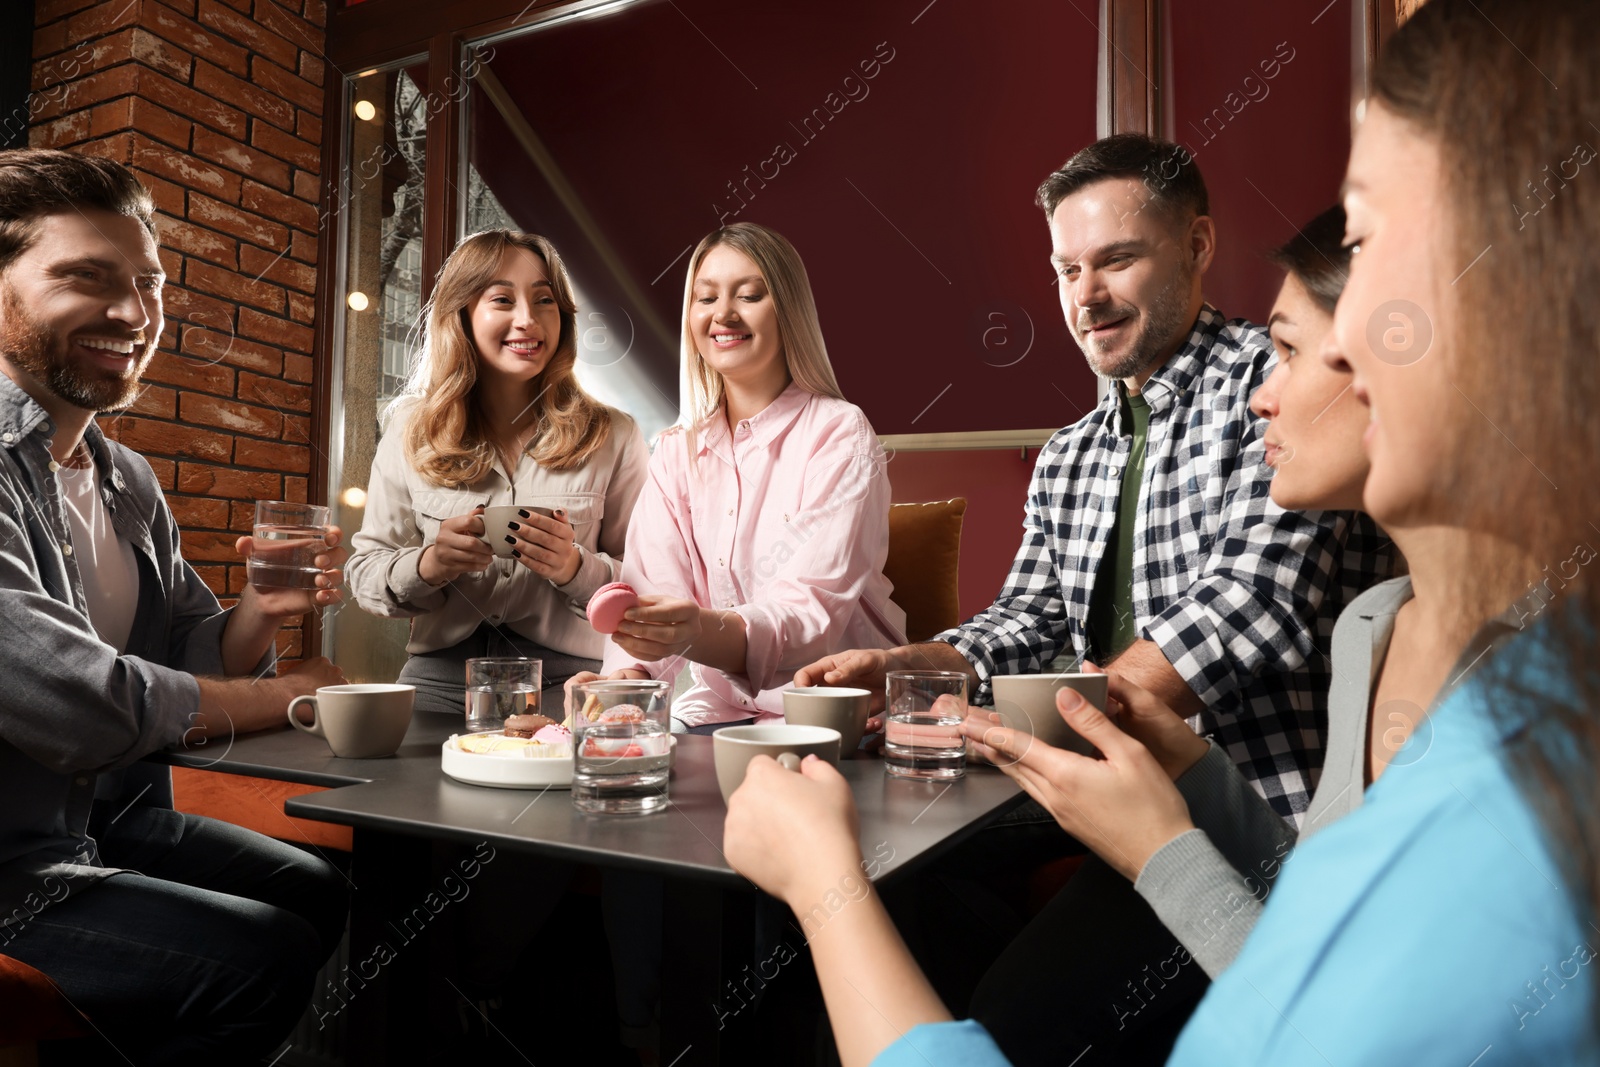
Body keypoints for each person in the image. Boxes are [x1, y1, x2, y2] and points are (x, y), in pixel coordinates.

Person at [738, 1, 1600, 1063]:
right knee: (835, 904)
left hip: (1236, 798)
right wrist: (933, 659)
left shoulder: (1277, 384)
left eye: (1115, 260)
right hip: (1095, 770)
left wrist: (1094, 702)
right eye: (1065, 270)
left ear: (1195, 246)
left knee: (984, 985)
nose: (1085, 294)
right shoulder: (1071, 450)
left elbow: (1257, 600)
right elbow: (1030, 612)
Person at [0, 148, 349, 1063]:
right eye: (86, 277)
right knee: (260, 960)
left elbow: (190, 654)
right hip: (9, 862)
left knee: (321, 885)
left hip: (103, 815)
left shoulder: (123, 475)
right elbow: (81, 704)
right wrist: (293, 693)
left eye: (148, 284)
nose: (131, 313)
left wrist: (262, 613)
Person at [577, 221, 905, 733]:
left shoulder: (840, 432)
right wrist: (625, 682)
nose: (723, 314)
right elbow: (648, 591)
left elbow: (811, 615)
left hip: (835, 708)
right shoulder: (674, 451)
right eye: (705, 298)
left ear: (789, 310)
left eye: (749, 295)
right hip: (722, 709)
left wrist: (702, 631)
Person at [346, 229, 649, 715]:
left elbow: (648, 588)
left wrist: (574, 568)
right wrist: (429, 565)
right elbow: (363, 574)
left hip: (570, 685)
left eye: (544, 300)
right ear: (462, 313)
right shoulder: (410, 428)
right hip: (440, 682)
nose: (527, 320)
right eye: (502, 300)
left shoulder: (613, 434)